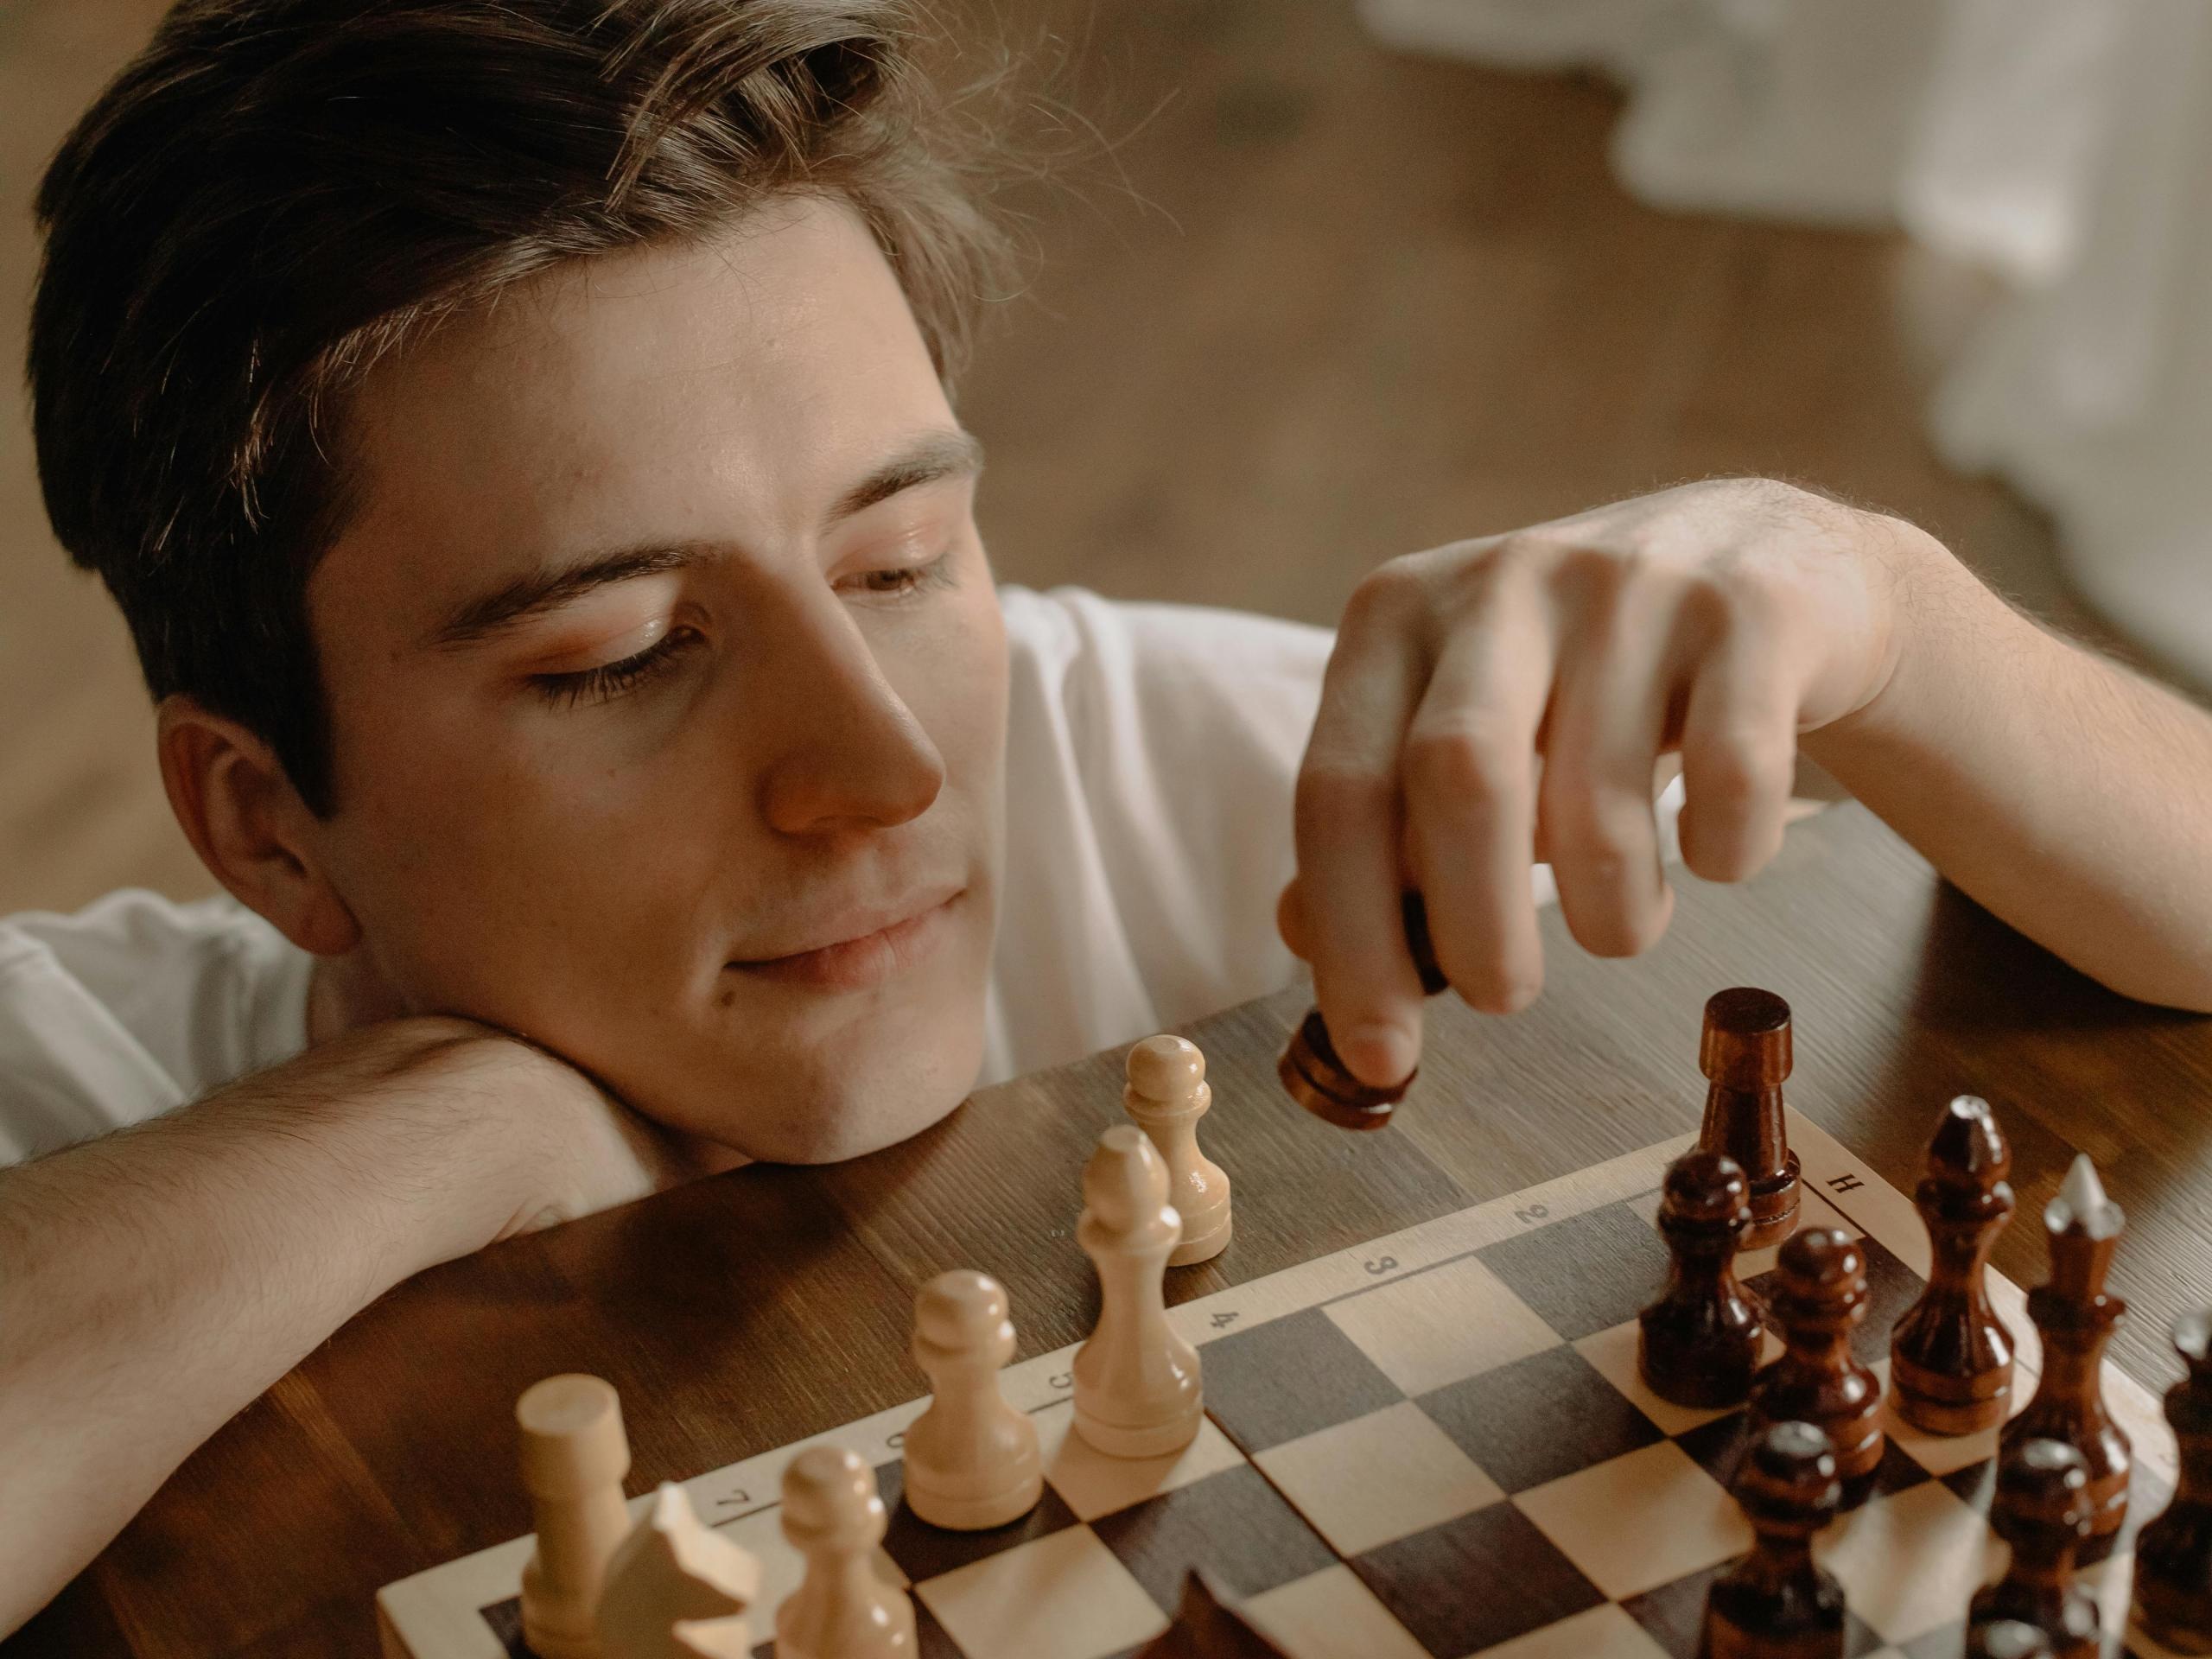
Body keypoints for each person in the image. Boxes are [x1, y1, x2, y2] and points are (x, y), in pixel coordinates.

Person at [4, 0, 2212, 1637]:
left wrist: (1887, 612)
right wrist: (441, 1130)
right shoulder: (82, 1089)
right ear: (264, 826)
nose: (884, 764)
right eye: (621, 655)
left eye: (898, 561)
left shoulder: (1196, 766)